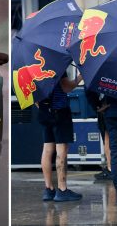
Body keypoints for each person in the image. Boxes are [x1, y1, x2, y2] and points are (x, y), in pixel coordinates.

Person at [37, 71, 83, 202]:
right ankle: (62, 190)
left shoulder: (31, 66)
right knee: (61, 150)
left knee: (47, 149)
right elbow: (66, 87)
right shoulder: (55, 63)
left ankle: (48, 189)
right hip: (60, 111)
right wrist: (81, 76)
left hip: (44, 110)